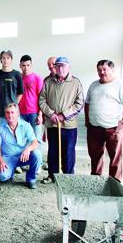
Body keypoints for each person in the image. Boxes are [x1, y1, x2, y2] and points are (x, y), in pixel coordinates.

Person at [85, 60, 123, 182]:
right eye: (99, 70)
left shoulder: (121, 85)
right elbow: (87, 103)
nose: (101, 72)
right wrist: (87, 120)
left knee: (115, 158)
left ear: (112, 70)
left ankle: (115, 183)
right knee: (95, 156)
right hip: (94, 128)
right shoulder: (93, 85)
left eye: (104, 69)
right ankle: (96, 180)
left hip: (113, 129)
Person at [39, 56, 84, 184]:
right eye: (58, 66)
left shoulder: (75, 83)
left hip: (68, 125)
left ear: (68, 67)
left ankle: (68, 177)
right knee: (53, 150)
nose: (60, 68)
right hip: (52, 124)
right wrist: (51, 114)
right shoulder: (48, 82)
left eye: (63, 66)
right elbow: (41, 100)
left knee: (68, 151)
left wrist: (63, 115)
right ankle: (52, 175)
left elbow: (79, 103)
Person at [0, 103, 41, 189]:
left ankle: (31, 179)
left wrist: (28, 149)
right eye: (7, 113)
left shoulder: (26, 125)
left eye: (12, 112)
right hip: (8, 157)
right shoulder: (0, 127)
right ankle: (10, 172)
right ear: (5, 114)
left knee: (37, 154)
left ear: (18, 114)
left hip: (23, 156)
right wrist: (0, 160)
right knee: (2, 177)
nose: (10, 115)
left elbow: (35, 142)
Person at [0, 49, 23, 124]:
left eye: (8, 58)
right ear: (0, 60)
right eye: (3, 58)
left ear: (11, 60)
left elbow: (20, 93)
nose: (5, 60)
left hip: (12, 114)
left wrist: (14, 105)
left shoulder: (17, 74)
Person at [18, 54, 43, 142]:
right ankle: (24, 156)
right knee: (20, 139)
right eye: (23, 65)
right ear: (20, 66)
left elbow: (42, 98)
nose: (26, 68)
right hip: (20, 114)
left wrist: (40, 115)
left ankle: (37, 156)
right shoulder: (18, 78)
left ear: (31, 65)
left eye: (28, 65)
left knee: (36, 139)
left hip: (34, 113)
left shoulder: (37, 78)